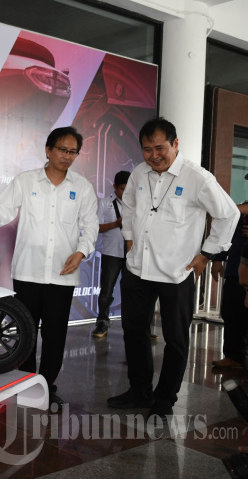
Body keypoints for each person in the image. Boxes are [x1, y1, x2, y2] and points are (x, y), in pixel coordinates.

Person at [107, 117, 239, 421]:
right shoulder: (138, 173)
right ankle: (139, 389)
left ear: (175, 144)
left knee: (176, 339)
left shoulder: (197, 177)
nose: (154, 155)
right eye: (147, 149)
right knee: (134, 331)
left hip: (176, 272)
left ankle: (165, 397)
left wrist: (207, 254)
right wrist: (129, 239)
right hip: (138, 269)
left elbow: (229, 214)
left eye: (160, 148)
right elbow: (129, 207)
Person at [0, 126, 99, 406]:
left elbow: (90, 226)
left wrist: (81, 252)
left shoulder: (82, 187)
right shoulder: (26, 181)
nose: (67, 156)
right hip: (28, 271)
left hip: (62, 274)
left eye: (73, 152)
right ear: (48, 150)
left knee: (55, 334)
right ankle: (25, 382)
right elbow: (4, 209)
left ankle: (47, 384)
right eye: (62, 150)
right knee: (26, 331)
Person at [92, 170, 131, 338]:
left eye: (129, 189)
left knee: (133, 292)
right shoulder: (104, 203)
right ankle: (102, 322)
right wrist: (116, 224)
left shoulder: (137, 203)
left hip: (132, 253)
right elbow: (96, 227)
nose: (125, 193)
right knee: (106, 290)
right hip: (111, 253)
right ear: (114, 186)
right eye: (122, 189)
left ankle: (136, 326)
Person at [211, 200, 248, 369]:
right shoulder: (239, 212)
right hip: (236, 271)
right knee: (231, 312)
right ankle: (233, 357)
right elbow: (228, 234)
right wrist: (217, 259)